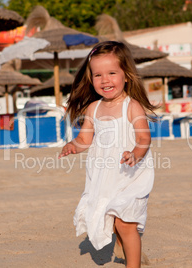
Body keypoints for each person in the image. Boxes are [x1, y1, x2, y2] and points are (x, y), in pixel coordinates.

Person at [59, 41, 157, 267]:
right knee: (113, 219)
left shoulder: (132, 107)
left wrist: (135, 153)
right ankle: (127, 248)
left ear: (126, 76)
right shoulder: (93, 108)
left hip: (131, 174)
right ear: (90, 79)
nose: (105, 80)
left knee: (125, 223)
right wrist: (73, 145)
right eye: (98, 75)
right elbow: (85, 139)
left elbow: (144, 138)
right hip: (105, 176)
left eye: (112, 73)